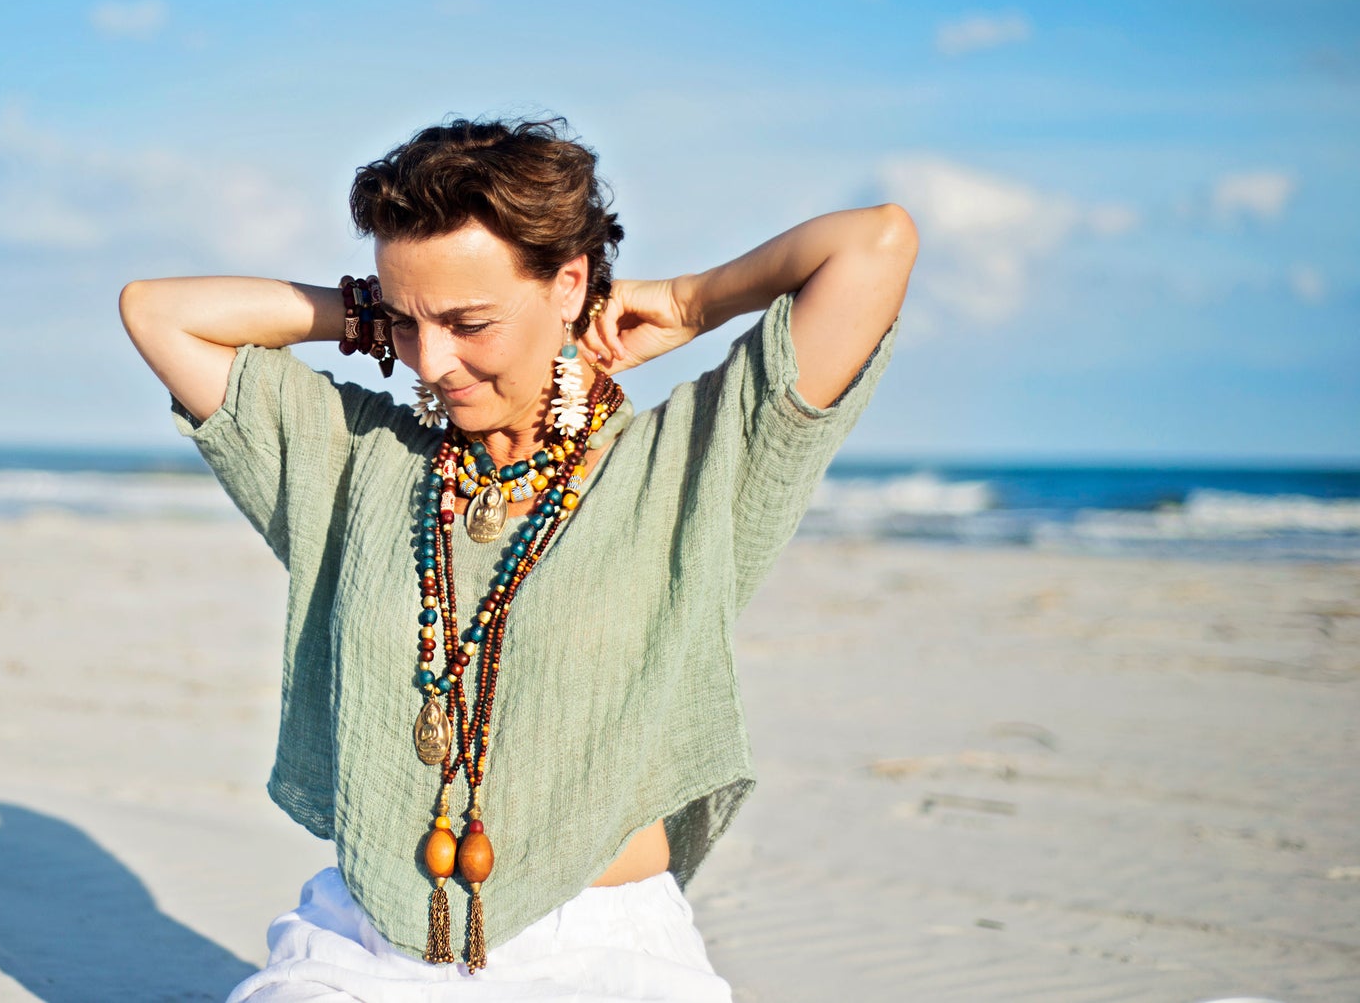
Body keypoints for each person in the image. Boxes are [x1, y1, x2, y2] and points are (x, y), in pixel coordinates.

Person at [120, 117, 915, 1001]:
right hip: (363, 948)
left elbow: (875, 243)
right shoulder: (352, 462)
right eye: (407, 324)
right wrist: (365, 317)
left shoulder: (685, 468)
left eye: (469, 321)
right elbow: (160, 312)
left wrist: (691, 301)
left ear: (569, 283)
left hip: (604, 950)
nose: (434, 361)